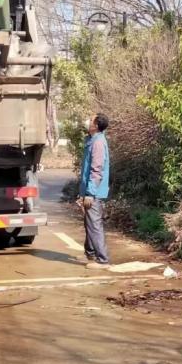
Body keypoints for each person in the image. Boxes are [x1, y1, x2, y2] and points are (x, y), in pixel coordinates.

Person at [79, 114, 111, 268]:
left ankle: (102, 259)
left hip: (94, 192)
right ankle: (90, 253)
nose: (87, 121)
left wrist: (90, 193)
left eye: (90, 119)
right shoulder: (93, 139)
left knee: (94, 224)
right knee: (89, 223)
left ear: (96, 125)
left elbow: (96, 170)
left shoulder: (97, 143)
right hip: (90, 190)